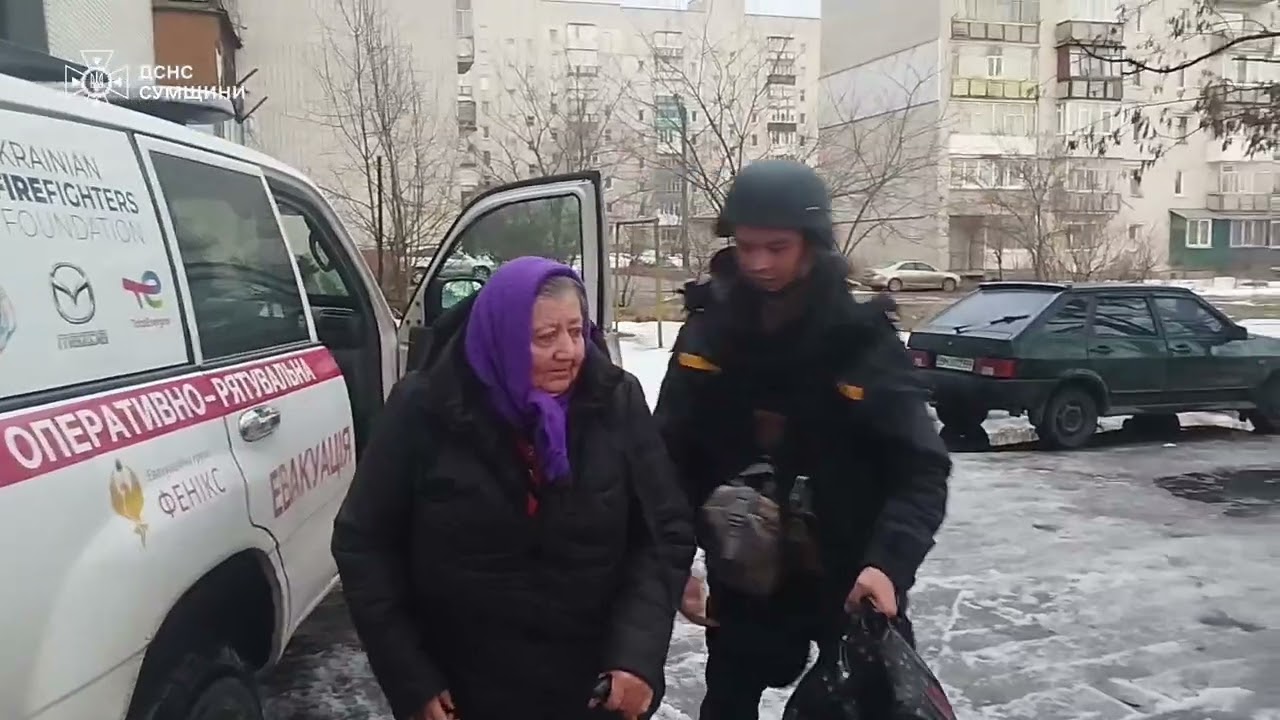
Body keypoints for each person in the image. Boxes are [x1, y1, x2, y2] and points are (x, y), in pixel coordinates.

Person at [332, 256, 695, 720]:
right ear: (500, 337)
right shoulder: (424, 410)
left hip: (591, 690)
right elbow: (364, 543)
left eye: (576, 331)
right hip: (464, 693)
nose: (569, 351)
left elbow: (662, 534)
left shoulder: (614, 401)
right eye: (545, 337)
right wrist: (411, 678)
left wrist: (636, 656)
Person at [654, 160, 951, 719]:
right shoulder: (709, 333)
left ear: (812, 244)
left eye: (777, 247)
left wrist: (887, 566)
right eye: (746, 247)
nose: (758, 263)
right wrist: (672, 565)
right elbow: (667, 458)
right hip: (745, 571)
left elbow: (922, 470)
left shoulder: (862, 341)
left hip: (852, 580)